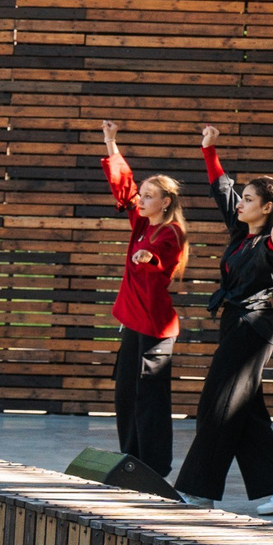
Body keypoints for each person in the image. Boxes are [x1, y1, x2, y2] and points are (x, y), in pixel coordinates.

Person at [175, 130, 273, 512]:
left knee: (218, 407)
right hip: (235, 325)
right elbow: (222, 189)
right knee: (245, 412)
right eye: (243, 198)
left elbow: (271, 257)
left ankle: (199, 491)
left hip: (252, 328)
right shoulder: (240, 232)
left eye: (249, 200)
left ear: (266, 208)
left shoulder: (268, 241)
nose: (241, 204)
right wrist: (209, 149)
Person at [97, 122, 188, 478]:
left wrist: (149, 259)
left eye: (150, 197)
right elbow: (124, 187)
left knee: (149, 400)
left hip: (155, 327)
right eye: (143, 195)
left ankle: (154, 467)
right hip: (133, 322)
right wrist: (111, 142)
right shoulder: (142, 223)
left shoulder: (170, 231)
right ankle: (131, 461)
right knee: (125, 396)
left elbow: (164, 258)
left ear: (166, 202)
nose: (142, 200)